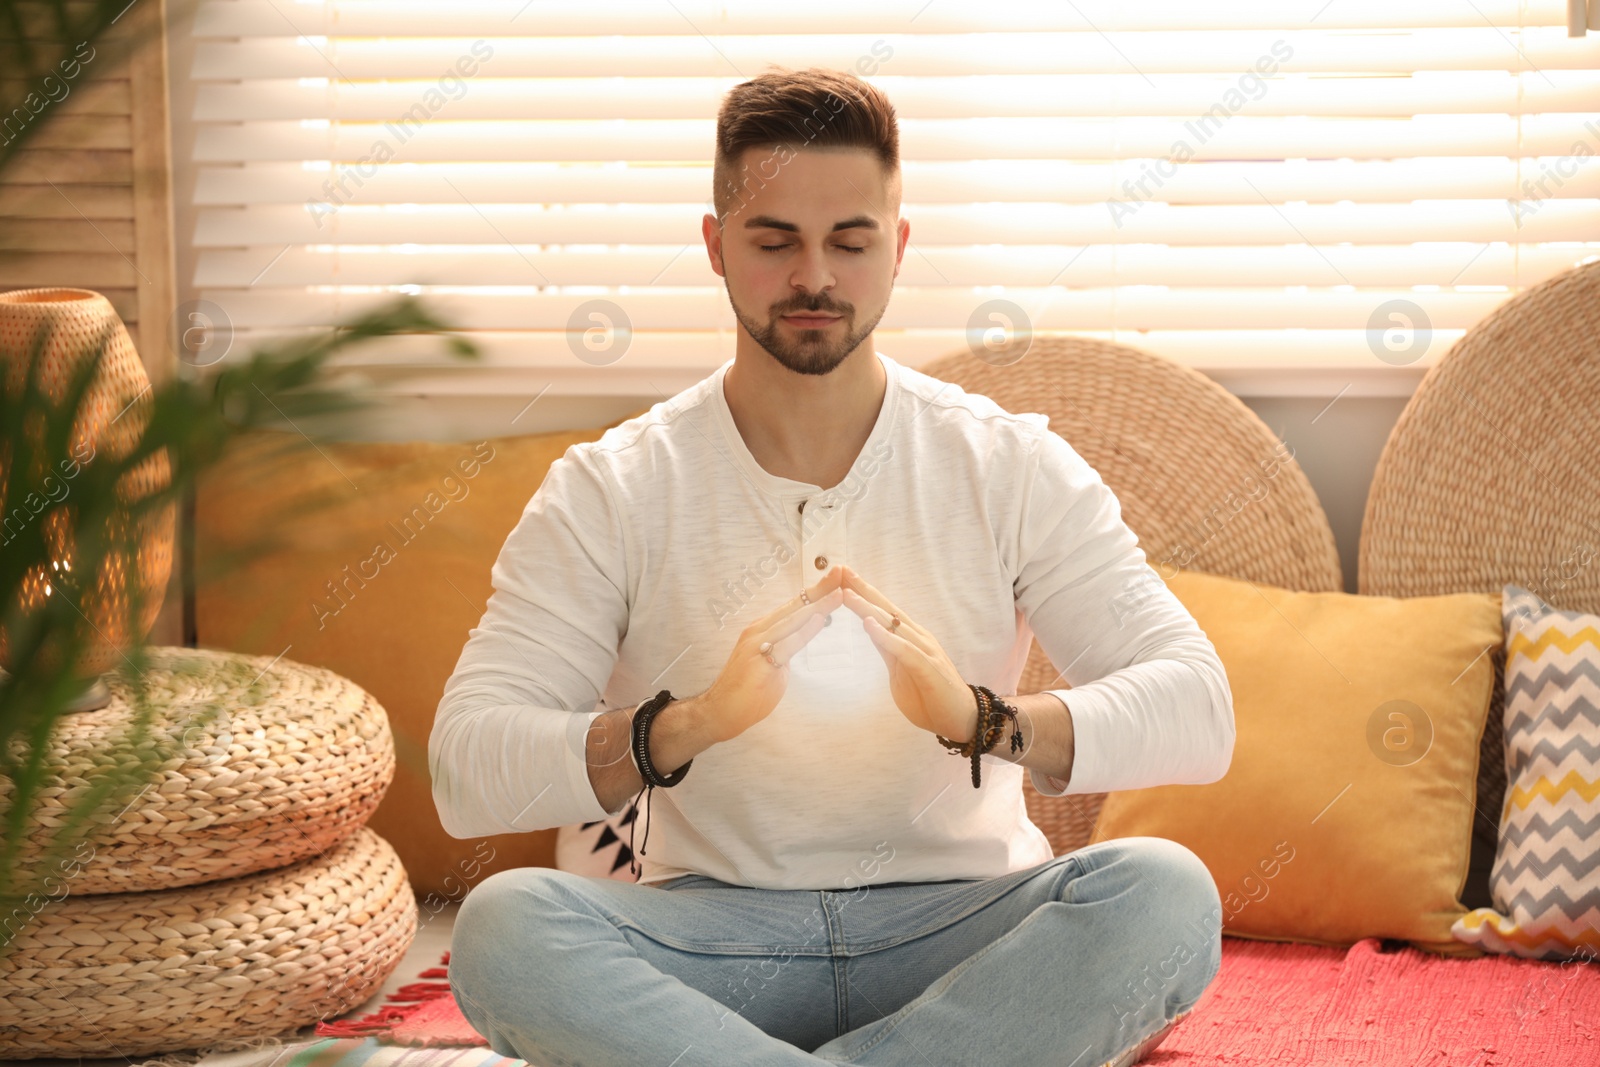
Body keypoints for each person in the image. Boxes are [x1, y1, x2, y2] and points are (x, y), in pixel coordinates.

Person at [430, 65, 1234, 1067]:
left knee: (1163, 891)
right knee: (505, 927)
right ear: (717, 245)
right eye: (774, 241)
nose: (814, 276)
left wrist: (982, 720)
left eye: (850, 241)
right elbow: (465, 763)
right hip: (713, 942)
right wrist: (687, 725)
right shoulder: (612, 486)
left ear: (896, 249)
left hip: (963, 929)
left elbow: (1200, 709)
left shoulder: (1006, 462)